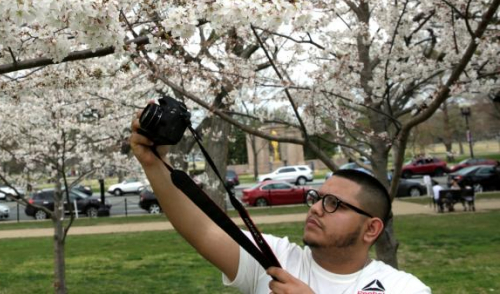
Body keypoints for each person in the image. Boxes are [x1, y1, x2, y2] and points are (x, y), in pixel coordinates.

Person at [130, 114, 431, 294]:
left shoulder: (402, 287)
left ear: (371, 229)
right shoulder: (272, 260)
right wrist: (155, 163)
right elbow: (204, 232)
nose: (315, 208)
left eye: (333, 204)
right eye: (316, 198)